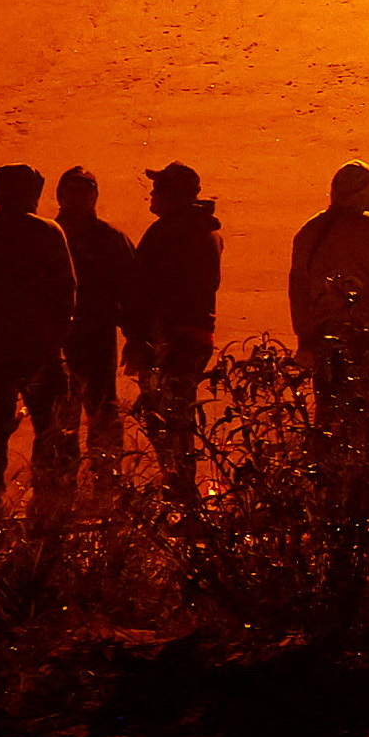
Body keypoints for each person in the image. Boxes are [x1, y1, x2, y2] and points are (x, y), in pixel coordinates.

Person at [0, 163, 84, 505]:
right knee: (51, 427)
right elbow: (66, 291)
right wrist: (54, 341)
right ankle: (51, 496)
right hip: (39, 348)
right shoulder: (47, 232)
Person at [290, 162, 369, 465]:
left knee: (331, 418)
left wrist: (306, 339)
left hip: (324, 341)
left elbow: (298, 292)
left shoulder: (308, 232)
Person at [128, 164, 222, 494]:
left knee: (163, 415)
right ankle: (181, 486)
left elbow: (143, 289)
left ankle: (181, 491)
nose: (152, 194)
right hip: (196, 337)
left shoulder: (166, 233)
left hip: (170, 339)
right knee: (177, 413)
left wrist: (140, 339)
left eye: (160, 188)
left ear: (174, 195)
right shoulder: (206, 232)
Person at [54, 169, 138, 466]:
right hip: (53, 343)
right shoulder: (46, 235)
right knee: (58, 418)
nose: (77, 198)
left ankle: (107, 485)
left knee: (102, 412)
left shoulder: (111, 238)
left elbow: (132, 293)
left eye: (84, 191)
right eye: (71, 191)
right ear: (59, 195)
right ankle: (58, 488)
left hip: (96, 341)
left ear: (95, 196)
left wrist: (136, 339)